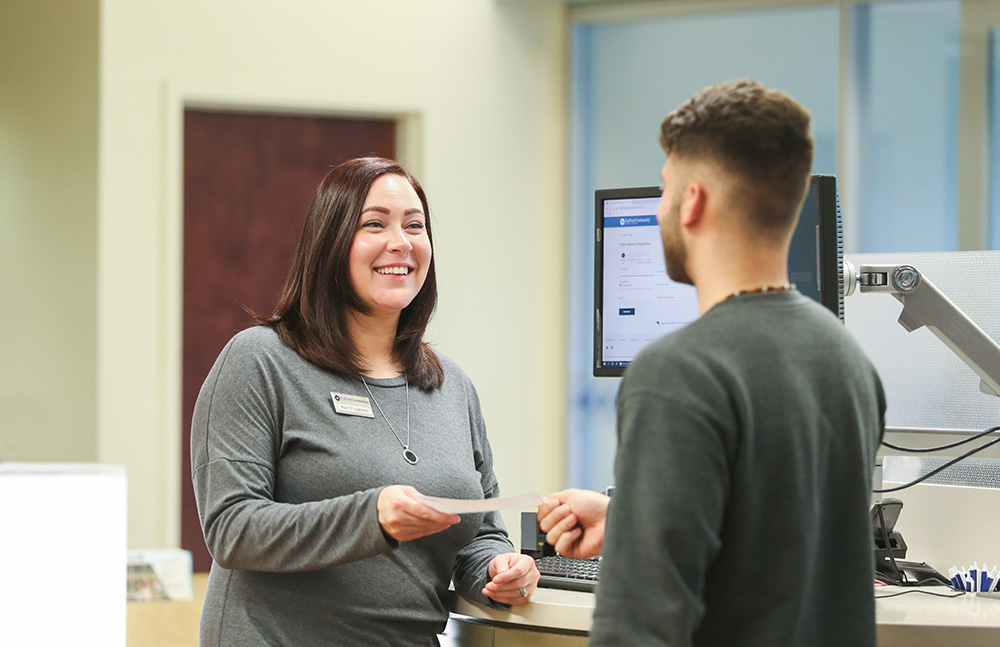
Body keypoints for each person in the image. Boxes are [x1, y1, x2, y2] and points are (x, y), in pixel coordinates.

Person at [538, 80, 885, 646]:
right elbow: (773, 549)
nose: (659, 209)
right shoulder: (846, 360)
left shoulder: (678, 372)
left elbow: (639, 625)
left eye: (664, 188)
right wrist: (626, 519)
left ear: (693, 200)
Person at [191, 157, 539, 646]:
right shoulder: (260, 361)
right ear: (330, 243)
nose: (401, 242)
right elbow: (233, 528)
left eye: (414, 225)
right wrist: (371, 516)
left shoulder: (451, 386)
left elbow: (480, 532)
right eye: (374, 224)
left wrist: (499, 569)